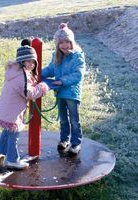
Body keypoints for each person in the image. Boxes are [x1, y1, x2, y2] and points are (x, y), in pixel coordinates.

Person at [0, 39, 49, 169]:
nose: (32, 64)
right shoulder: (21, 76)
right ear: (21, 62)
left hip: (7, 107)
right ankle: (13, 160)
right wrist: (43, 87)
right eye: (29, 61)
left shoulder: (15, 71)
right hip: (13, 111)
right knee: (13, 135)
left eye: (33, 61)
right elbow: (28, 93)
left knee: (7, 131)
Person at [42, 23, 86, 155]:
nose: (64, 45)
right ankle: (64, 140)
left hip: (72, 93)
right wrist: (38, 73)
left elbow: (78, 75)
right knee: (63, 119)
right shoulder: (56, 56)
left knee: (74, 120)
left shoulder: (78, 56)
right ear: (57, 44)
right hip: (60, 93)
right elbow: (51, 69)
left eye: (67, 41)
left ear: (72, 42)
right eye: (61, 42)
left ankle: (76, 143)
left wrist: (62, 81)